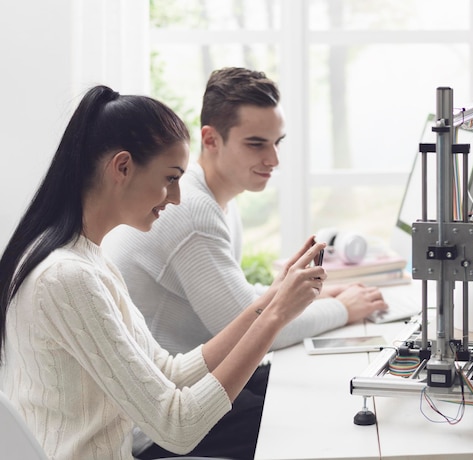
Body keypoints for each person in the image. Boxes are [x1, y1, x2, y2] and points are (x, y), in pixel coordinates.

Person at [0, 85, 327, 460]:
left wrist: (274, 295)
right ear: (122, 167)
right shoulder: (66, 277)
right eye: (170, 178)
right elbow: (178, 427)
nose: (176, 198)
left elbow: (168, 371)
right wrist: (275, 316)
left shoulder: (90, 260)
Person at [102, 67, 388, 459]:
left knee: (326, 394)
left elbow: (237, 302)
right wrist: (343, 309)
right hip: (165, 421)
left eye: (277, 142)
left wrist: (318, 297)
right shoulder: (192, 211)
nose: (273, 159)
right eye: (256, 144)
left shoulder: (215, 200)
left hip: (197, 384)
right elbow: (251, 326)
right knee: (322, 421)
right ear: (210, 139)